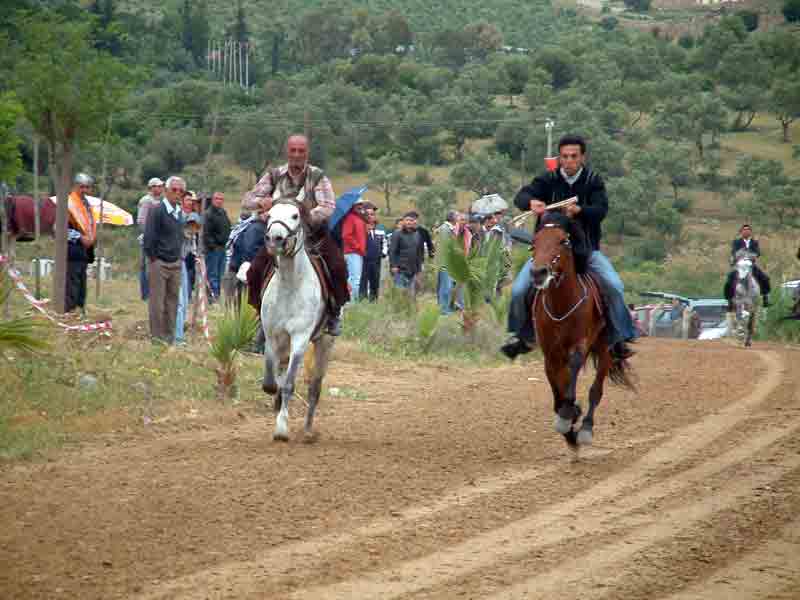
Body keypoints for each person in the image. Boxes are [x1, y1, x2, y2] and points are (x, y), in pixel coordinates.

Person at [501, 134, 637, 361]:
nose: (569, 161)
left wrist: (580, 211)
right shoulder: (548, 179)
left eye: (574, 156)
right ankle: (522, 336)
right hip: (548, 252)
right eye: (564, 156)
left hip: (586, 250)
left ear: (582, 157)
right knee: (518, 290)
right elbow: (522, 195)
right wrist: (530, 203)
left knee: (615, 286)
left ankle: (619, 337)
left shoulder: (594, 181)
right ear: (560, 158)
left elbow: (601, 210)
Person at [242, 134, 348, 335]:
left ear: (307, 153)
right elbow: (247, 200)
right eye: (293, 150)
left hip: (313, 234)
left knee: (338, 266)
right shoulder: (274, 175)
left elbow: (327, 206)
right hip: (279, 236)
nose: (297, 155)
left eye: (301, 151)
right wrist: (260, 203)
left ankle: (333, 312)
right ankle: (259, 315)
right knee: (254, 271)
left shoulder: (317, 176)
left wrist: (304, 218)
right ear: (287, 152)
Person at [144, 176, 185, 344]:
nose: (177, 193)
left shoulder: (179, 213)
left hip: (175, 262)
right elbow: (149, 238)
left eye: (181, 191)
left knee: (172, 303)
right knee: (157, 304)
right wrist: (154, 259)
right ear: (166, 191)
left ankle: (169, 338)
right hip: (159, 262)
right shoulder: (157, 210)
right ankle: (156, 338)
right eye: (174, 190)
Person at [65, 173, 96, 314]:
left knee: (82, 286)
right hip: (71, 250)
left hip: (84, 252)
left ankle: (80, 311)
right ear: (75, 186)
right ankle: (69, 313)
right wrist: (79, 237)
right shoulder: (68, 203)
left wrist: (91, 238)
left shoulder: (87, 205)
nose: (84, 190)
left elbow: (88, 225)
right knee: (72, 286)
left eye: (87, 187)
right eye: (81, 186)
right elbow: (59, 228)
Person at [175, 192, 202, 345]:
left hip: (185, 260)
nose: (190, 202)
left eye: (193, 200)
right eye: (188, 199)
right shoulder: (179, 216)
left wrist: (197, 254)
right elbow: (186, 232)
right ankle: (177, 337)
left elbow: (192, 240)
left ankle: (180, 332)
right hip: (174, 260)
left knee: (185, 299)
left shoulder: (194, 217)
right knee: (179, 301)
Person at [135, 178, 164, 300]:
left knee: (152, 266)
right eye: (158, 186)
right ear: (151, 187)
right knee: (146, 266)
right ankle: (146, 294)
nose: (160, 188)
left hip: (157, 239)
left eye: (161, 186)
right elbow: (141, 221)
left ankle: (151, 293)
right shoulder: (146, 201)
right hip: (148, 239)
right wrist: (150, 234)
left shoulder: (159, 201)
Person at [728, 224, 770, 306]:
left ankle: (765, 297)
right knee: (729, 278)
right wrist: (738, 255)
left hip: (750, 265)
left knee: (765, 278)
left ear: (750, 232)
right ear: (741, 232)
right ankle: (730, 299)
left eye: (748, 230)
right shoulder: (736, 242)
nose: (746, 231)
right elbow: (734, 252)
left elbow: (757, 253)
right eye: (744, 230)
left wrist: (751, 255)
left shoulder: (754, 242)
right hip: (740, 265)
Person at [203, 191, 231, 304]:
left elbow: (228, 227)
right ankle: (212, 298)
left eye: (221, 199)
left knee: (220, 275)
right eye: (217, 198)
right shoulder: (208, 214)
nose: (219, 201)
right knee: (212, 274)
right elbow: (206, 233)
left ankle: (217, 296)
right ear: (213, 200)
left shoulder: (223, 212)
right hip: (213, 249)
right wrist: (212, 246)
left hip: (223, 248)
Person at [389, 213, 424, 297]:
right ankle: (398, 309)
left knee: (410, 295)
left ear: (413, 222)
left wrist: (419, 269)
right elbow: (392, 251)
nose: (409, 222)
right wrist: (393, 266)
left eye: (411, 220)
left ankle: (408, 309)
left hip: (412, 270)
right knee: (399, 294)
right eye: (407, 220)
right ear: (403, 221)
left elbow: (419, 253)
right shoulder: (397, 234)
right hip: (400, 270)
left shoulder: (417, 235)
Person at [341, 200, 368, 301]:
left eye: (362, 204)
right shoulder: (350, 218)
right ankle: (352, 301)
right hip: (352, 252)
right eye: (358, 204)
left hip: (357, 252)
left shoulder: (359, 219)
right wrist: (358, 247)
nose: (360, 206)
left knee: (355, 278)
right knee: (355, 279)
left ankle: (352, 300)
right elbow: (346, 235)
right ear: (352, 206)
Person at [360, 206, 386, 302]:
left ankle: (374, 300)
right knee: (364, 280)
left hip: (377, 259)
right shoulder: (362, 227)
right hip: (365, 259)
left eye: (372, 214)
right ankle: (362, 299)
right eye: (367, 214)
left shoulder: (380, 228)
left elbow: (384, 242)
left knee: (375, 279)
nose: (370, 216)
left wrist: (383, 253)